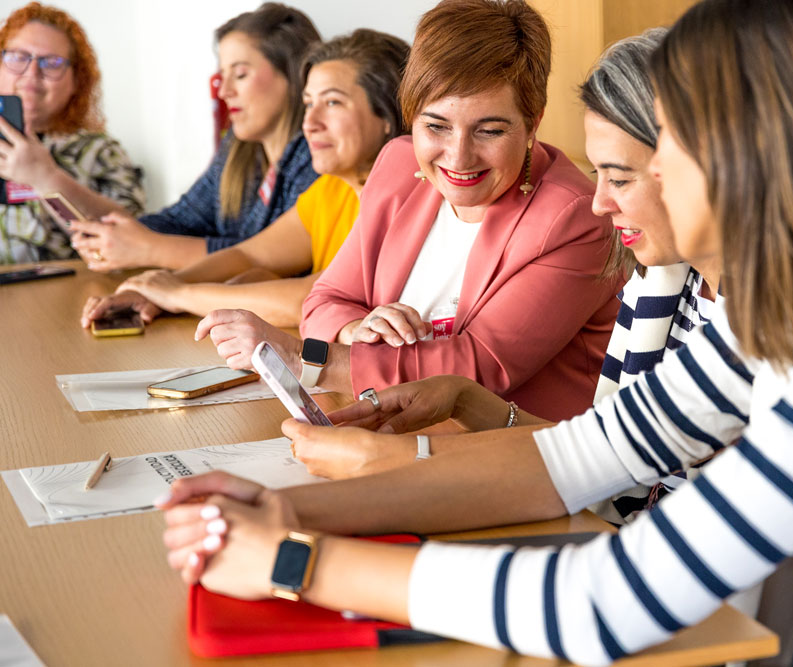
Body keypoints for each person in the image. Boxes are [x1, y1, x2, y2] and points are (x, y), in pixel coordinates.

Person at [161, 1, 793, 664]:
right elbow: (577, 456)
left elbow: (610, 597)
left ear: (748, 147)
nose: (610, 197)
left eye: (660, 146)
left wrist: (294, 559)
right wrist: (289, 508)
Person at [270, 29, 714, 528]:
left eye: (620, 178)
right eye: (436, 125)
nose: (599, 202)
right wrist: (458, 399)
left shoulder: (581, 222)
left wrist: (379, 452)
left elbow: (618, 484)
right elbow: (610, 453)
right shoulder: (663, 284)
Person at [195, 0, 620, 422]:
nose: (458, 157)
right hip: (388, 431)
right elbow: (326, 299)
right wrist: (353, 332)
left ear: (533, 123)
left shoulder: (576, 217)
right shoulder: (399, 164)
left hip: (516, 460)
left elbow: (478, 370)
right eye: (435, 126)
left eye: (490, 130)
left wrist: (303, 356)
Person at [77, 29, 409, 329]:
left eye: (333, 102)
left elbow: (309, 301)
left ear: (388, 114)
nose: (311, 123)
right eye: (309, 104)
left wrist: (178, 294)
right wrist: (153, 289)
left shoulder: (405, 193)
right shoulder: (333, 186)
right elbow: (250, 255)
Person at [69, 3, 319, 272]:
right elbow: (183, 218)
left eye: (241, 74)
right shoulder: (238, 146)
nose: (224, 91)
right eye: (221, 76)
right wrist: (114, 236)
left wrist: (147, 248)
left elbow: (270, 255)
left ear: (295, 76)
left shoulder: (317, 154)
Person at [0, 2, 143, 264]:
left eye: (51, 62)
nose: (32, 74)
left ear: (77, 80)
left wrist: (45, 177)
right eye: (18, 57)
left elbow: (137, 242)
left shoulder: (102, 152)